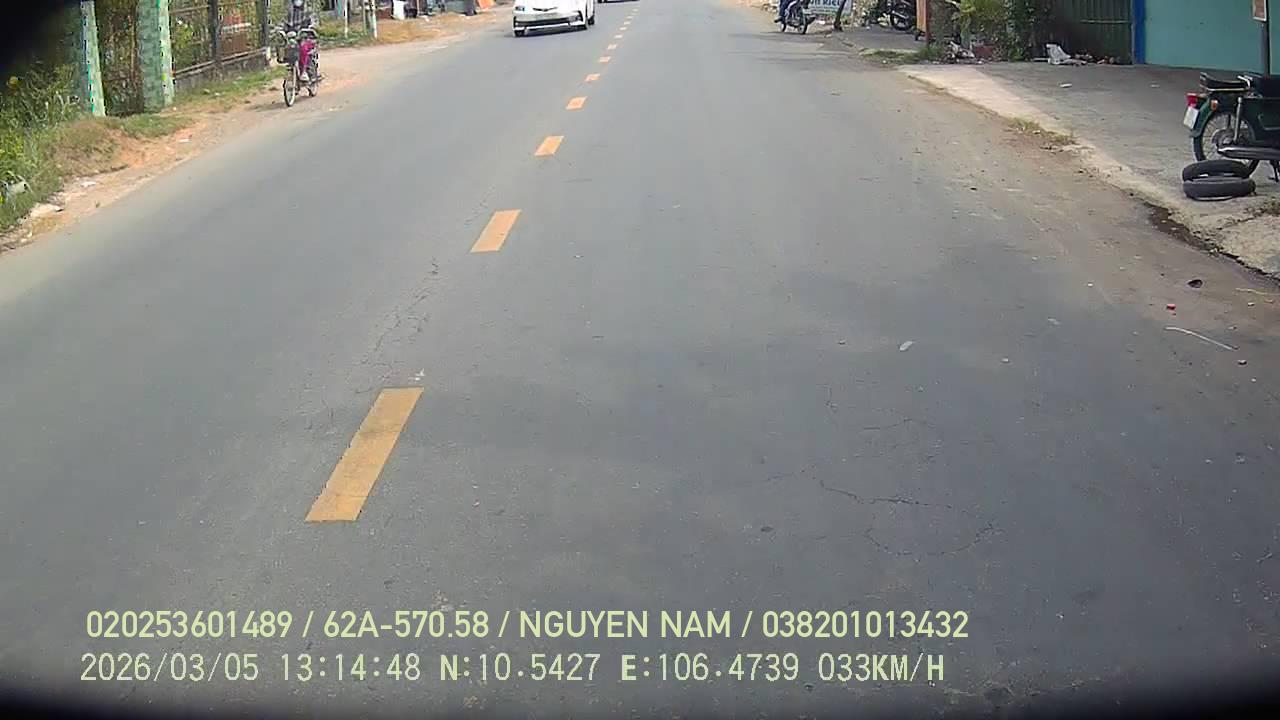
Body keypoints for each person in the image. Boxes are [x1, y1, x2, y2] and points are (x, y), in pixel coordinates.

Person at [282, 0, 319, 82]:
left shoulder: (308, 12)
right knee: (288, 48)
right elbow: (283, 24)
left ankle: (304, 71)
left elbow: (314, 23)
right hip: (294, 39)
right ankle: (292, 68)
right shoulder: (289, 13)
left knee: (303, 48)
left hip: (307, 38)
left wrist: (310, 28)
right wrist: (280, 30)